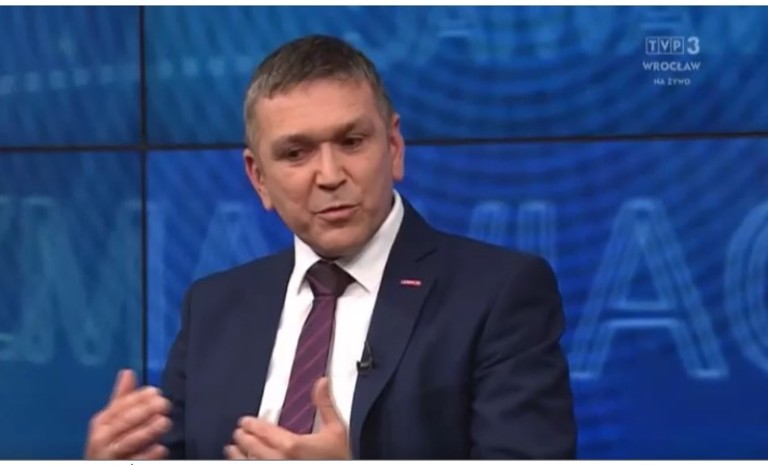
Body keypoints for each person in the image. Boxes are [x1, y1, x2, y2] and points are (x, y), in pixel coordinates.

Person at [84, 34, 577, 459]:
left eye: (351, 142)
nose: (330, 175)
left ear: (394, 147)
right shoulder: (214, 305)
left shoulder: (496, 294)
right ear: (259, 178)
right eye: (296, 153)